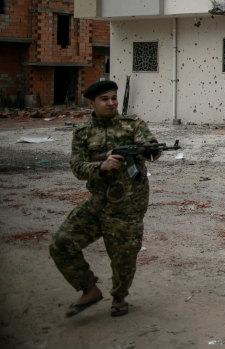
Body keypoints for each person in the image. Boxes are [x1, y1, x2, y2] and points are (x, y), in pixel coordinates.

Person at [49, 80, 162, 317]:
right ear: (92, 103)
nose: (111, 103)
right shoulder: (83, 133)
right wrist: (101, 165)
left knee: (123, 258)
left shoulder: (133, 125)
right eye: (104, 99)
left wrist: (151, 149)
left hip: (128, 207)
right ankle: (89, 289)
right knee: (61, 243)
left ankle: (119, 298)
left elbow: (151, 147)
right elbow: (78, 167)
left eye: (113, 98)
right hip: (98, 202)